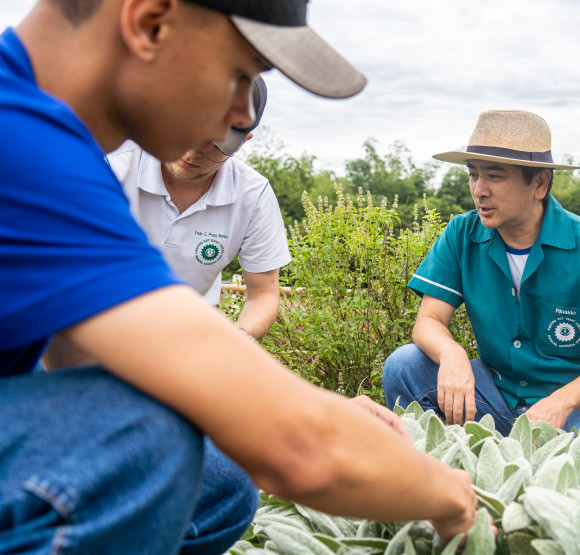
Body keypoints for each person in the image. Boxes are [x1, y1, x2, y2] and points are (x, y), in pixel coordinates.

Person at [0, 1, 480, 553]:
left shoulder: (46, 137)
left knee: (220, 481)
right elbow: (297, 454)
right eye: (240, 73)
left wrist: (282, 407)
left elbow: (87, 365)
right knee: (148, 436)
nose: (235, 117)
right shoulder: (26, 149)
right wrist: (446, 492)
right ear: (151, 23)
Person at [382, 109, 580, 439]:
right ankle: (433, 464)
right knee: (405, 365)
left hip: (578, 409)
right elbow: (429, 320)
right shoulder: (461, 234)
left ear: (539, 183)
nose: (479, 190)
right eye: (473, 174)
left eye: (495, 176)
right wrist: (451, 353)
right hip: (495, 395)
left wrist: (560, 403)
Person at [109, 75, 289, 341]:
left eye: (214, 145)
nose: (192, 152)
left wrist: (238, 340)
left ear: (243, 141)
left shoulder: (253, 195)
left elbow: (263, 293)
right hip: (92, 319)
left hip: (184, 336)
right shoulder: (112, 165)